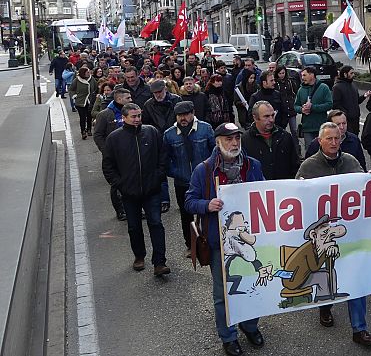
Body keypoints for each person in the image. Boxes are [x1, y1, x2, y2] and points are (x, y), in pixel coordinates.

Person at [185, 122, 266, 356]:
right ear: (218, 141)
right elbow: (189, 201)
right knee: (223, 293)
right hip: (219, 242)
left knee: (251, 286)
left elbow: (266, 193)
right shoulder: (204, 170)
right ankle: (228, 336)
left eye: (237, 138)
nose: (234, 143)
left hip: (249, 238)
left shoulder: (252, 165)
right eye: (229, 139)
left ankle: (250, 326)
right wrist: (206, 205)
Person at [296, 122, 371, 347]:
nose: (334, 142)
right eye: (329, 139)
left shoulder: (351, 161)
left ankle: (359, 329)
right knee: (327, 275)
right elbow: (297, 198)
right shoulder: (308, 166)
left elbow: (364, 190)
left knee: (355, 277)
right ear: (319, 141)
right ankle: (325, 308)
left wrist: (370, 181)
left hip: (350, 233)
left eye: (337, 138)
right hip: (324, 236)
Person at [101, 103, 170, 277]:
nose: (137, 119)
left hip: (151, 190)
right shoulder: (114, 138)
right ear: (124, 118)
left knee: (156, 223)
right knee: (134, 227)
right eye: (133, 116)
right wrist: (120, 184)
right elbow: (108, 165)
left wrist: (158, 176)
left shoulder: (152, 132)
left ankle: (160, 262)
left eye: (139, 115)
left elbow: (163, 156)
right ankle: (139, 256)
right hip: (129, 193)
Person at [162, 100, 216, 258]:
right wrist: (176, 173)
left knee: (207, 211)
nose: (183, 118)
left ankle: (208, 241)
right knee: (186, 214)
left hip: (205, 180)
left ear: (193, 113)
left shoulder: (205, 129)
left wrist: (211, 172)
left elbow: (214, 151)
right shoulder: (169, 134)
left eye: (186, 114)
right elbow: (165, 159)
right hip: (182, 181)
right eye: (179, 115)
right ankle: (190, 245)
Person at [143, 79, 183, 213]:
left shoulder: (176, 100)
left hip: (176, 137)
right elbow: (146, 123)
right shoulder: (148, 104)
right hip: (158, 140)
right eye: (155, 93)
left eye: (159, 91)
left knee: (180, 169)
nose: (158, 95)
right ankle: (164, 200)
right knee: (161, 170)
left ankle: (183, 199)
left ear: (165, 89)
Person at [94, 88, 132, 221]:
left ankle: (134, 209)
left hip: (130, 154)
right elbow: (98, 135)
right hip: (114, 156)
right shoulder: (105, 115)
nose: (131, 100)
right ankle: (120, 210)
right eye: (128, 98)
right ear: (119, 99)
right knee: (117, 184)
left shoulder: (131, 112)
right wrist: (107, 152)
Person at [241, 101, 299, 180]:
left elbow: (295, 165)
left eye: (273, 115)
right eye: (266, 116)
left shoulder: (285, 137)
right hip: (258, 186)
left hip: (284, 185)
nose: (271, 120)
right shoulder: (245, 140)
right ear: (255, 118)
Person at [294, 66, 333, 149]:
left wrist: (313, 107)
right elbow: (295, 106)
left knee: (323, 149)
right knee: (310, 151)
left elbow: (329, 104)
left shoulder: (324, 88)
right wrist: (302, 109)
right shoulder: (301, 90)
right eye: (302, 75)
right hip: (307, 127)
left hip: (321, 127)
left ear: (312, 75)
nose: (302, 78)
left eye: (304, 75)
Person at [332, 65, 366, 136]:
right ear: (345, 74)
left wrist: (364, 96)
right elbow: (335, 105)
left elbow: (357, 101)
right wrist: (346, 114)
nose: (353, 75)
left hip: (355, 119)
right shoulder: (337, 87)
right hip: (346, 120)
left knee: (355, 138)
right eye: (351, 73)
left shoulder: (353, 85)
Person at [70, 66, 97, 140]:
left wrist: (94, 96)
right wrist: (75, 96)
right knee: (82, 117)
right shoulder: (77, 80)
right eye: (87, 72)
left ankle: (89, 129)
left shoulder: (92, 79)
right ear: (83, 73)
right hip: (80, 101)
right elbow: (71, 89)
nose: (89, 73)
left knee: (89, 116)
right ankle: (83, 132)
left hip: (90, 101)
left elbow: (96, 88)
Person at [275, 65, 299, 136]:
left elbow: (295, 92)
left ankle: (295, 142)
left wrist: (294, 103)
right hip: (282, 110)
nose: (281, 75)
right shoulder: (276, 83)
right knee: (282, 130)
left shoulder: (290, 82)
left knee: (294, 130)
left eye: (283, 73)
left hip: (291, 109)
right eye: (280, 73)